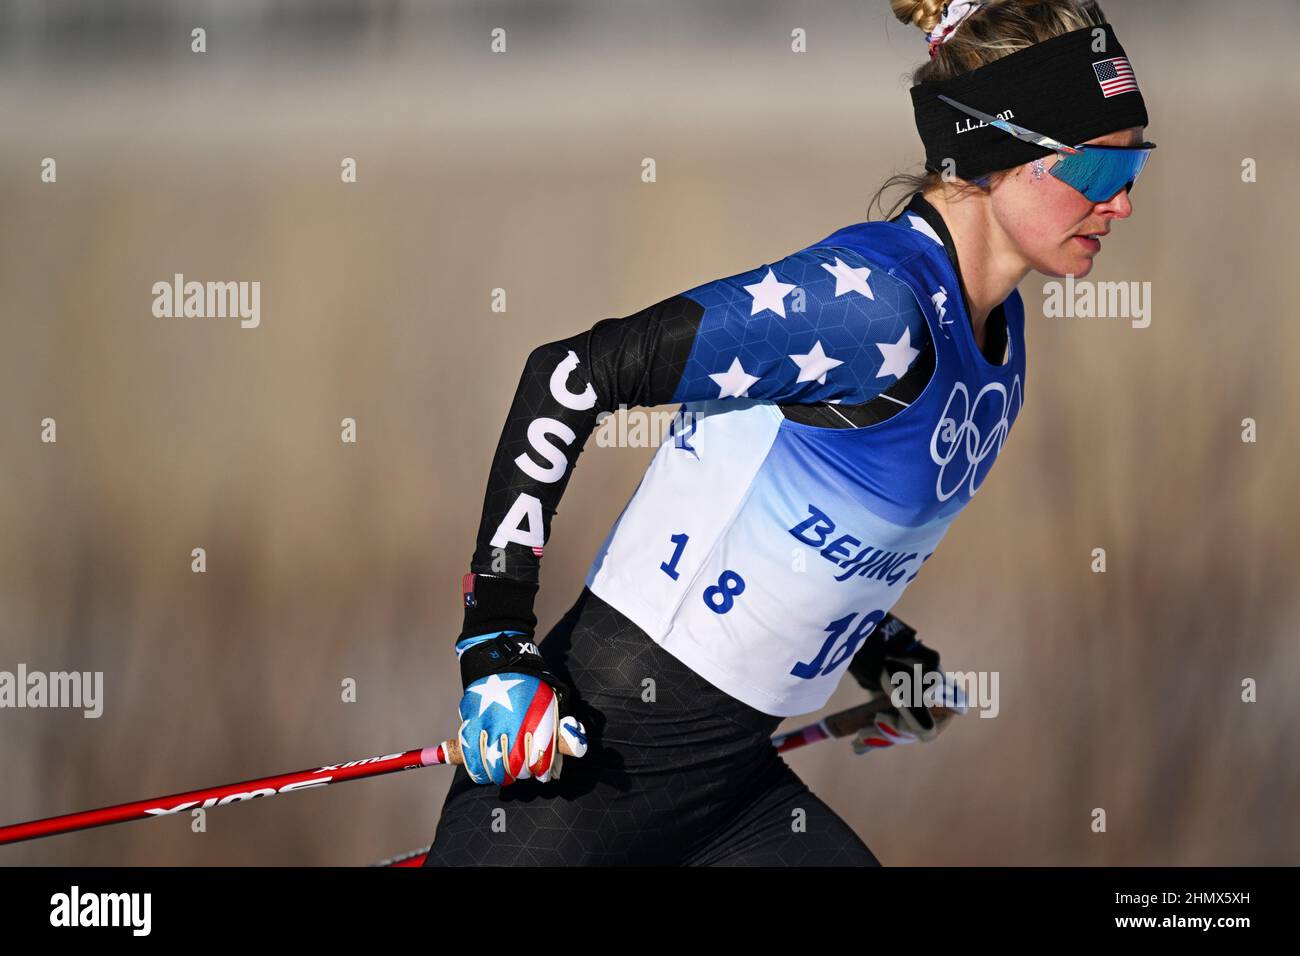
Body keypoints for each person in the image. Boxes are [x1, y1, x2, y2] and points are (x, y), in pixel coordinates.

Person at [425, 0, 1154, 866]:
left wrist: (880, 650)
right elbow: (571, 374)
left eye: (1134, 169)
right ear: (997, 155)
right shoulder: (868, 306)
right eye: (1098, 175)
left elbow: (823, 519)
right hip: (596, 761)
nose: (1122, 205)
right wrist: (496, 646)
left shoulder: (998, 342)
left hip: (732, 783)